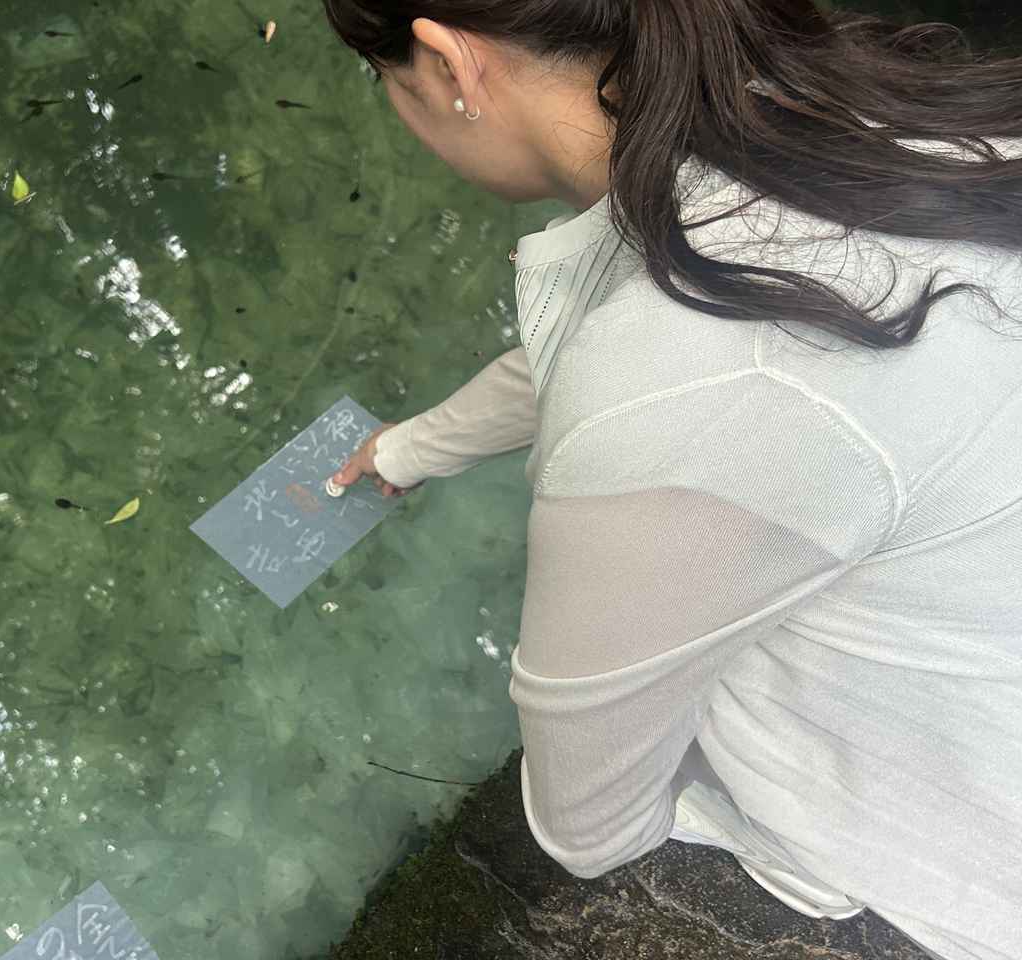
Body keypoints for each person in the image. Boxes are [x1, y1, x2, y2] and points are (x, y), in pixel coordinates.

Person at [319, 2, 1022, 959]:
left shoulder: (682, 388)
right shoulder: (837, 112)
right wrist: (409, 449)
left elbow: (587, 826)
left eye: (390, 81)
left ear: (448, 64)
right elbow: (624, 330)